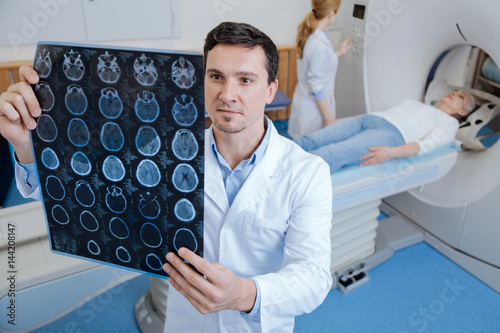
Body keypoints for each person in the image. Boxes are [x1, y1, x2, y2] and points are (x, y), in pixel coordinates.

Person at [0, 22, 333, 332]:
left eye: (245, 80)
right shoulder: (162, 156)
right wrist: (25, 145)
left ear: (271, 89)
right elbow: (80, 194)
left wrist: (246, 293)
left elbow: (314, 277)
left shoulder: (307, 173)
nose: (228, 94)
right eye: (216, 77)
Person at [294, 90, 476, 173]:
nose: (454, 93)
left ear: (462, 112)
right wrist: (341, 122)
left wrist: (389, 153)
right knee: (311, 140)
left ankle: (279, 180)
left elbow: (425, 146)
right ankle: (267, 157)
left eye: (460, 96)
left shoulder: (449, 123)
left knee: (332, 153)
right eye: (455, 91)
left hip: (392, 134)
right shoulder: (417, 103)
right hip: (368, 119)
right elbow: (387, 113)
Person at [288, 0, 353, 139]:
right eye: (337, 11)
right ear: (331, 14)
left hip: (305, 101)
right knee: (310, 150)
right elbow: (316, 86)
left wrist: (338, 53)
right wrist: (329, 118)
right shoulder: (320, 45)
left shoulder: (313, 36)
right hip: (313, 110)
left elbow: (319, 65)